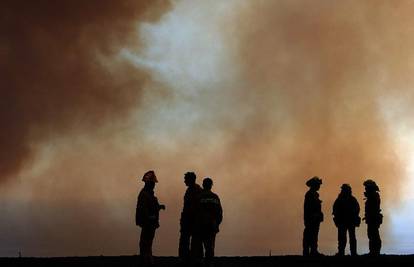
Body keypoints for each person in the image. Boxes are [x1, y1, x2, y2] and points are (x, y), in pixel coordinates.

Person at [136, 170, 166, 266]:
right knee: (145, 245)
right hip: (148, 223)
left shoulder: (148, 194)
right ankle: (146, 262)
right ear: (149, 183)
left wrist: (159, 207)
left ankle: (147, 261)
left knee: (147, 245)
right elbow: (143, 209)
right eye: (152, 183)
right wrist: (149, 218)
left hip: (150, 223)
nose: (154, 185)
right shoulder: (145, 194)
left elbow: (151, 207)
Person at [192, 177, 223, 267]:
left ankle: (199, 263)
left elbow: (193, 212)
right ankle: (209, 264)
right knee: (209, 248)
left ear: (203, 185)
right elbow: (220, 213)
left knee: (198, 248)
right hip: (211, 227)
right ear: (211, 186)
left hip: (199, 227)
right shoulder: (215, 197)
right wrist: (216, 224)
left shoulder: (198, 197)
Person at [179, 171, 202, 265]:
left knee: (191, 242)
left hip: (192, 221)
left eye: (186, 179)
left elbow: (193, 207)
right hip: (190, 221)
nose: (184, 181)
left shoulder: (195, 190)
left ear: (190, 179)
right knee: (192, 241)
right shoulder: (194, 189)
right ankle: (191, 259)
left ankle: (191, 260)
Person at [332, 184, 361, 256]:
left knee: (349, 238)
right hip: (344, 222)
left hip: (348, 221)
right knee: (344, 238)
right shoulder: (342, 199)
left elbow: (357, 209)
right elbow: (335, 210)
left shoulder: (343, 199)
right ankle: (344, 252)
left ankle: (350, 253)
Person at [303, 176, 324, 256]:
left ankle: (313, 251)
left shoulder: (314, 194)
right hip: (311, 219)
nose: (319, 186)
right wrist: (313, 215)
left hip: (314, 218)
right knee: (310, 235)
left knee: (314, 235)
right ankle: (307, 252)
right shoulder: (310, 194)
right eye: (318, 184)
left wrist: (319, 214)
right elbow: (309, 208)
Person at [363, 179, 383, 256]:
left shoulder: (373, 196)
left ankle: (375, 252)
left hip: (373, 218)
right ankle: (373, 252)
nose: (365, 189)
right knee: (372, 235)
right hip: (372, 218)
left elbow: (372, 208)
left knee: (373, 235)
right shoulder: (373, 196)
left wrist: (369, 216)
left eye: (366, 187)